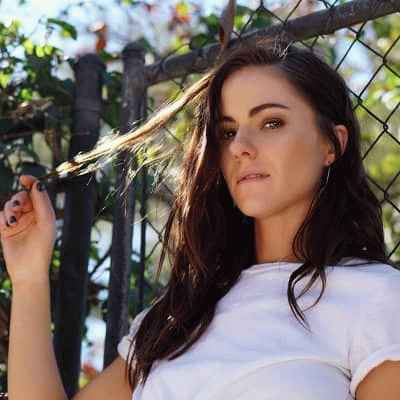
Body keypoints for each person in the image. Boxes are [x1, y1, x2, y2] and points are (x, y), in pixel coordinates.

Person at [1, 36, 400, 400]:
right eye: (227, 132)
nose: (240, 146)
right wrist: (30, 275)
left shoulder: (376, 297)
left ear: (333, 143)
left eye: (271, 123)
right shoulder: (176, 318)